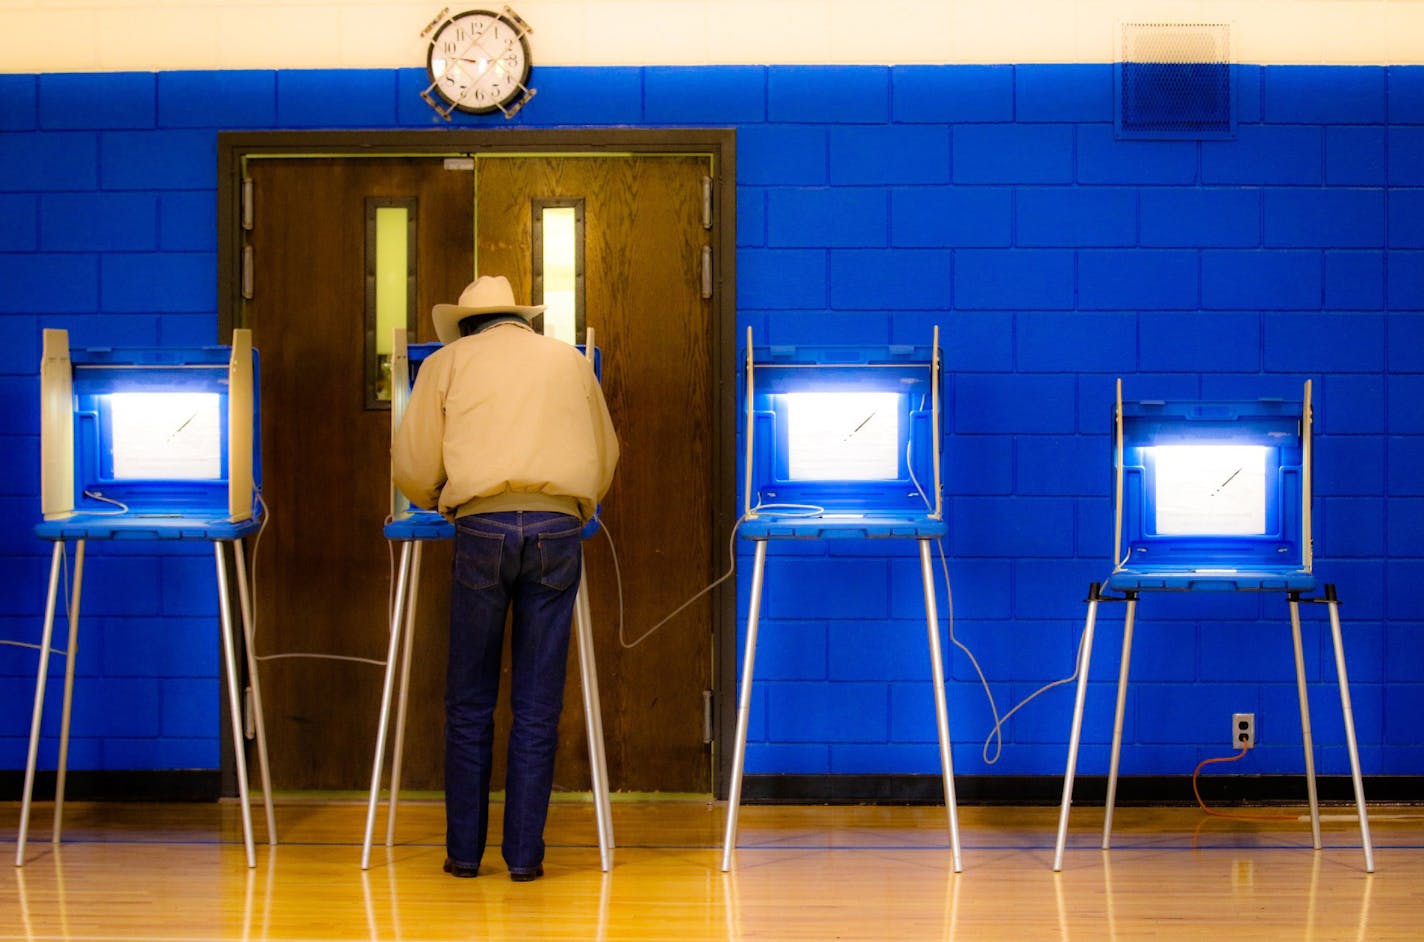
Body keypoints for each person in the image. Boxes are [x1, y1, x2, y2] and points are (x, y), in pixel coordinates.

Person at [392, 274, 619, 882]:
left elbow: (412, 463)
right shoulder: (570, 361)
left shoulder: (446, 362)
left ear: (465, 324)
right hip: (557, 530)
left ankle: (464, 858)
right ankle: (525, 861)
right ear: (522, 319)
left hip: (483, 529)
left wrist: (442, 498)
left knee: (469, 703)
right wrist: (578, 505)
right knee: (537, 707)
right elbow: (606, 454)